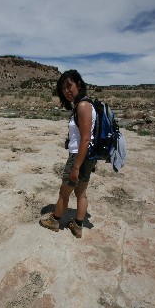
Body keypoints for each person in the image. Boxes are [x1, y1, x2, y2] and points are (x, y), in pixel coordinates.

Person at [39, 69, 97, 238]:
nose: (67, 91)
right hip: (87, 157)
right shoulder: (84, 104)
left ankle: (55, 220)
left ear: (78, 84)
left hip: (78, 157)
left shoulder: (83, 105)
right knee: (81, 193)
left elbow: (86, 139)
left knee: (64, 193)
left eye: (69, 86)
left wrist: (76, 167)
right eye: (63, 89)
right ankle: (77, 226)